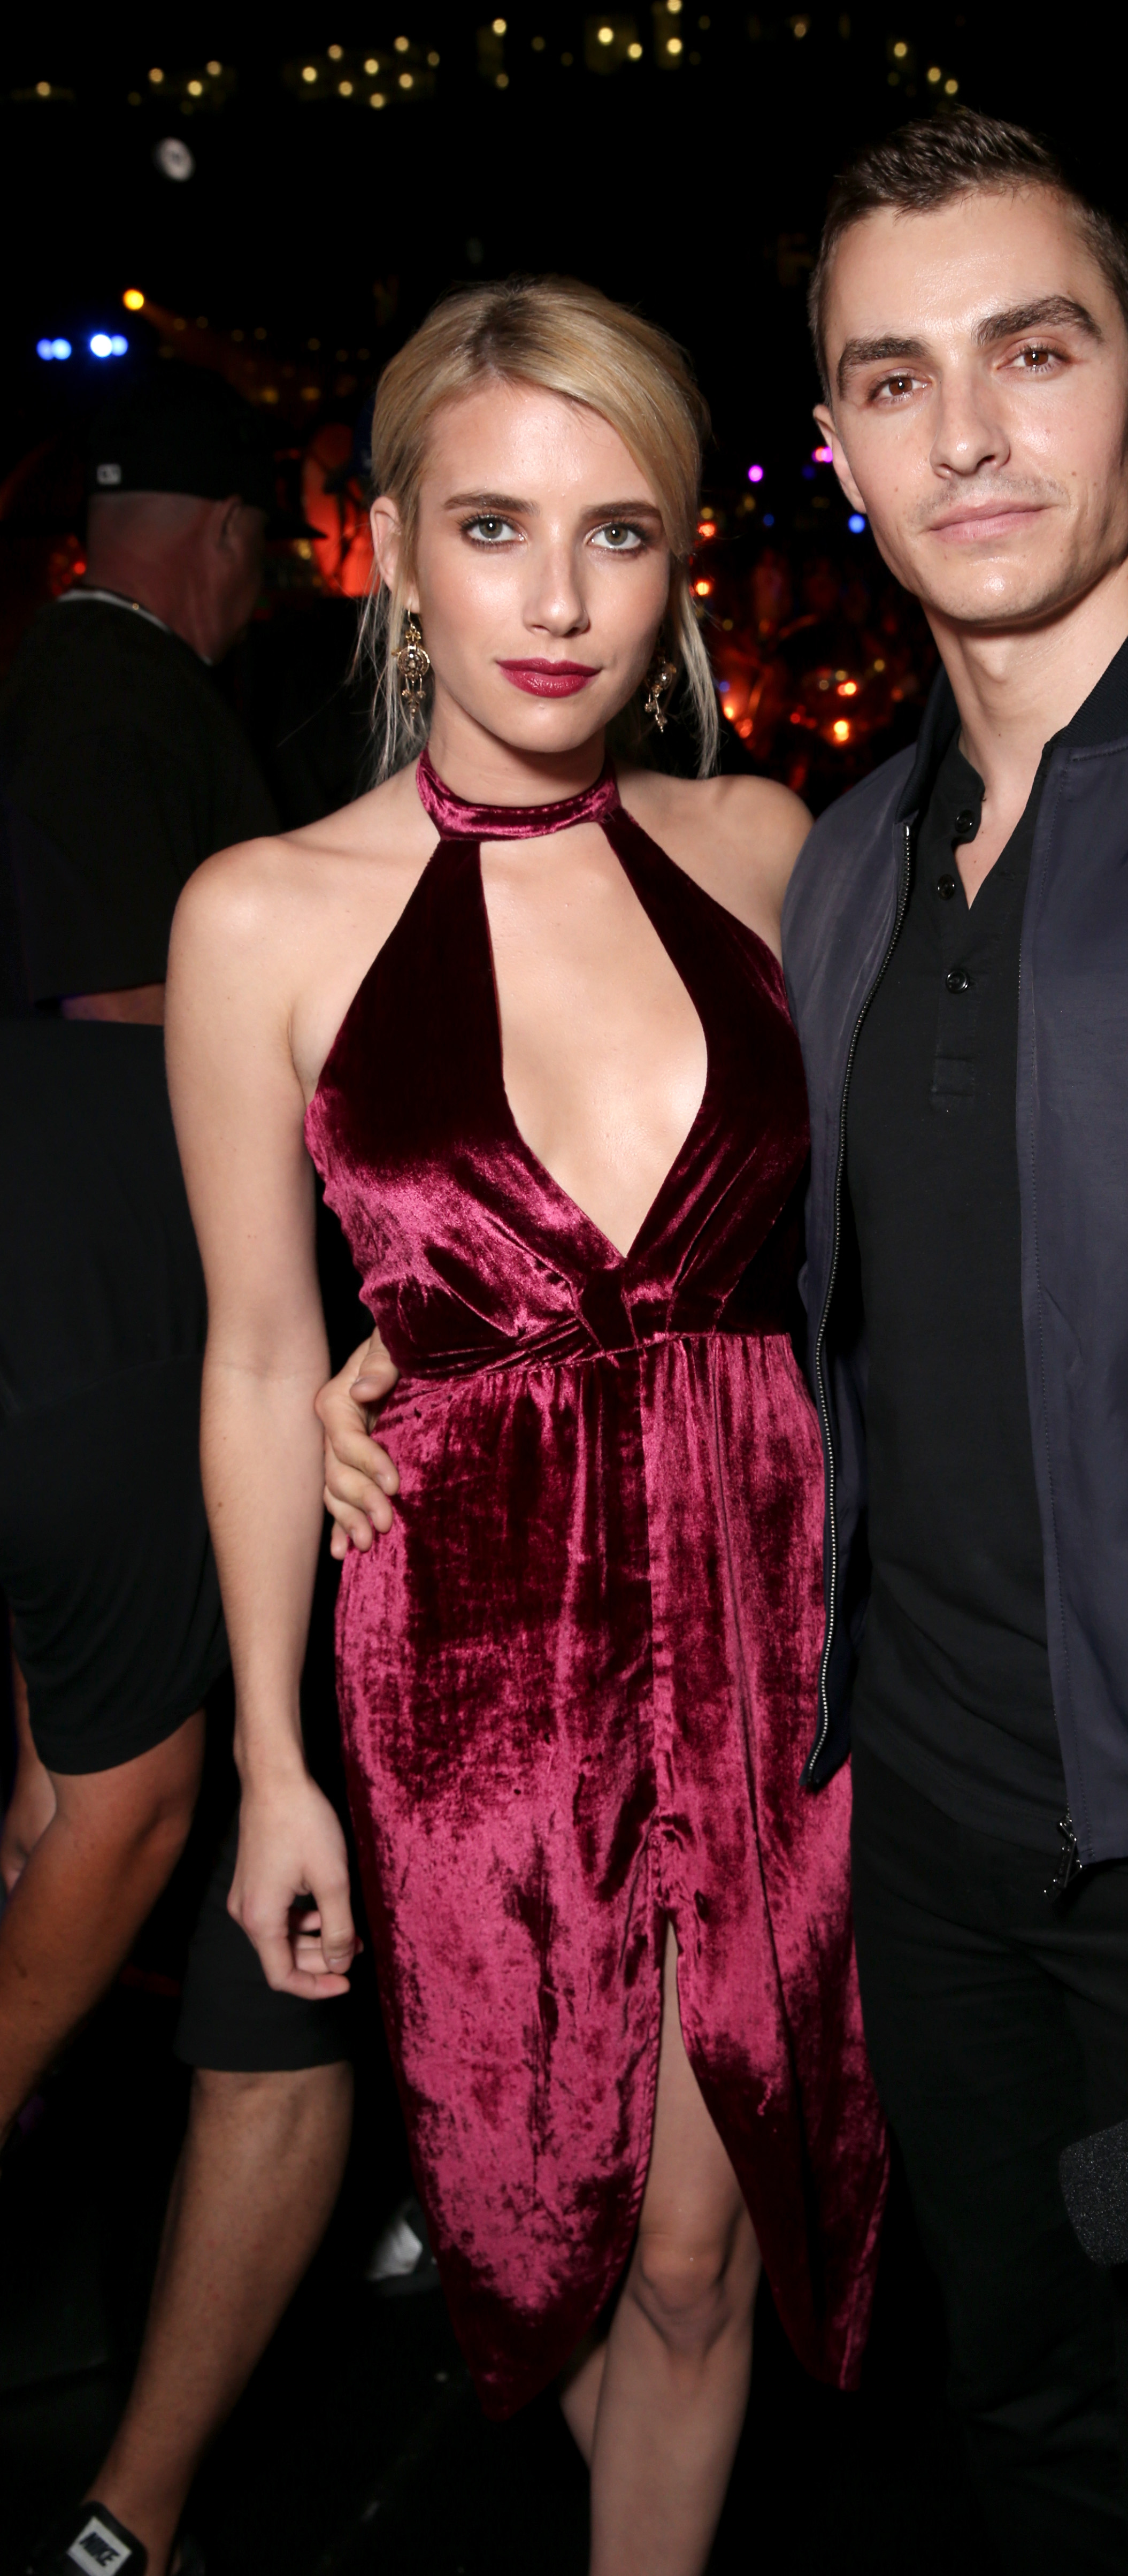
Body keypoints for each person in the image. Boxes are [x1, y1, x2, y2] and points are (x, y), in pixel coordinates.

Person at [320, 114, 1128, 2574]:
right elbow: (749, 1256)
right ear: (835, 441)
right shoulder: (842, 859)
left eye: (1030, 355)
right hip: (911, 1831)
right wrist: (415, 1346)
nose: (966, 435)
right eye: (891, 378)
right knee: (1019, 2438)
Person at [165, 275, 886, 2576]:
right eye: (491, 526)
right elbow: (255, 1353)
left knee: (698, 2239)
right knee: (537, 2220)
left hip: (772, 1605)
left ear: (681, 559)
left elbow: (885, 1242)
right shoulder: (261, 916)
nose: (557, 599)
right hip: (474, 1639)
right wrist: (272, 1762)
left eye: (616, 531)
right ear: (386, 543)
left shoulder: (765, 843)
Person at [0, 367, 363, 2576]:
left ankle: (134, 2508)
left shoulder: (72, 696)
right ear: (223, 537)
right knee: (217, 1897)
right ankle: (133, 2508)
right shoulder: (122, 709)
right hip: (185, 1373)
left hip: (184, 1382)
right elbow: (169, 1079)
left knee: (236, 1918)